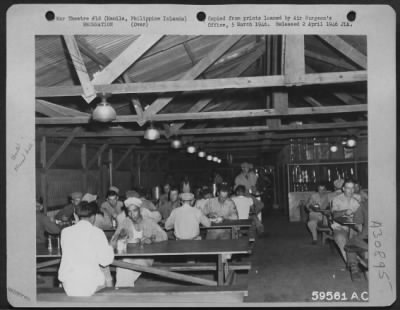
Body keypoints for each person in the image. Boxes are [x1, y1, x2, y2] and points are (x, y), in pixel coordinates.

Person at [58, 201, 114, 296]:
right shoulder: (97, 232)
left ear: (75, 216)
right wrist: (110, 247)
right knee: (105, 270)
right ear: (93, 217)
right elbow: (106, 261)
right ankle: (109, 300)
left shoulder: (65, 232)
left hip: (69, 285)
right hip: (91, 286)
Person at [110, 197, 167, 288]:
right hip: (128, 256)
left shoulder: (149, 222)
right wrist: (119, 237)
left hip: (145, 257)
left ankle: (121, 291)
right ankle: (123, 290)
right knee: (124, 264)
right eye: (129, 211)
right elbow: (113, 241)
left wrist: (151, 239)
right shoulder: (125, 222)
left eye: (134, 211)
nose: (132, 214)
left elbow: (164, 236)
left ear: (140, 210)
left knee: (124, 265)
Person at [331, 179, 361, 262]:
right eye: (348, 188)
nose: (351, 191)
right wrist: (345, 211)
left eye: (352, 188)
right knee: (340, 237)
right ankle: (351, 263)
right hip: (341, 227)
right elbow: (335, 214)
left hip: (355, 227)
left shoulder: (359, 198)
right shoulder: (337, 199)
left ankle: (361, 260)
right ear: (343, 189)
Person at [345, 197, 368, 281]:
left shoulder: (363, 205)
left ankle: (354, 267)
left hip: (371, 239)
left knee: (350, 243)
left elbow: (357, 224)